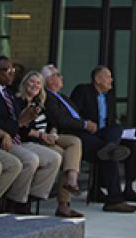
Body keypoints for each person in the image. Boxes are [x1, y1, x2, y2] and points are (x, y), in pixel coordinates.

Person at [0, 56, 63, 213]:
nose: (11, 74)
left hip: (17, 138)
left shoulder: (7, 93)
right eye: (7, 70)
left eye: (13, 71)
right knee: (30, 159)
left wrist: (28, 122)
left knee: (54, 158)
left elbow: (21, 122)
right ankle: (15, 202)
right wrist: (19, 125)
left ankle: (29, 198)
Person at [71, 65, 136, 211]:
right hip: (87, 134)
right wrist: (85, 124)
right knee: (110, 153)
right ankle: (114, 200)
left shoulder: (109, 97)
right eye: (108, 76)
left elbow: (111, 123)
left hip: (105, 135)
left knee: (131, 142)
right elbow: (73, 114)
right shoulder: (83, 90)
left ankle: (129, 188)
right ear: (98, 79)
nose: (111, 80)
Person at [17, 71, 82, 219]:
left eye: (38, 83)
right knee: (66, 156)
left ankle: (72, 178)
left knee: (75, 142)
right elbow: (20, 128)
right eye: (32, 82)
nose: (35, 85)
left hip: (46, 137)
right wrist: (42, 135)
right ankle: (63, 203)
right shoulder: (19, 101)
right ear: (24, 83)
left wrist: (52, 133)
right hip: (33, 139)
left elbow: (53, 122)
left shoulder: (41, 102)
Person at [40, 65, 91, 214]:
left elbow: (74, 116)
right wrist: (85, 125)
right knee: (73, 146)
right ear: (49, 80)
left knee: (71, 152)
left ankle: (65, 202)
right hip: (54, 135)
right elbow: (59, 120)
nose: (61, 78)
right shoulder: (46, 96)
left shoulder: (63, 97)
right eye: (58, 75)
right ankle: (68, 192)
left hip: (65, 135)